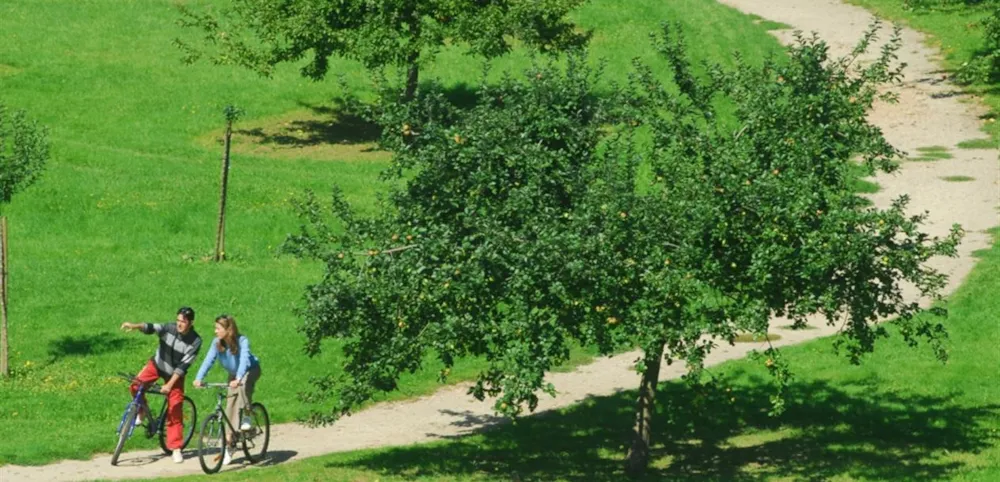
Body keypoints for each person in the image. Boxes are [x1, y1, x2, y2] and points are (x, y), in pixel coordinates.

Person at [120, 307, 203, 464]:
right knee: (135, 385)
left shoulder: (195, 341)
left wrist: (170, 385)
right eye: (178, 320)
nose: (179, 324)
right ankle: (142, 411)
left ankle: (176, 448)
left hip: (175, 375)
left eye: (183, 322)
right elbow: (152, 327)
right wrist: (134, 326)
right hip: (157, 365)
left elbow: (183, 366)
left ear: (191, 323)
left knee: (175, 407)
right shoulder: (169, 328)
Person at [193, 314, 261, 466]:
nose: (215, 331)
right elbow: (208, 360)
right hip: (234, 375)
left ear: (228, 329)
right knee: (230, 406)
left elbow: (243, 360)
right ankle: (230, 445)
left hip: (251, 370)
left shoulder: (242, 341)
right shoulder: (216, 343)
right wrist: (199, 378)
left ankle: (247, 416)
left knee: (243, 386)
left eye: (218, 328)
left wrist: (238, 378)